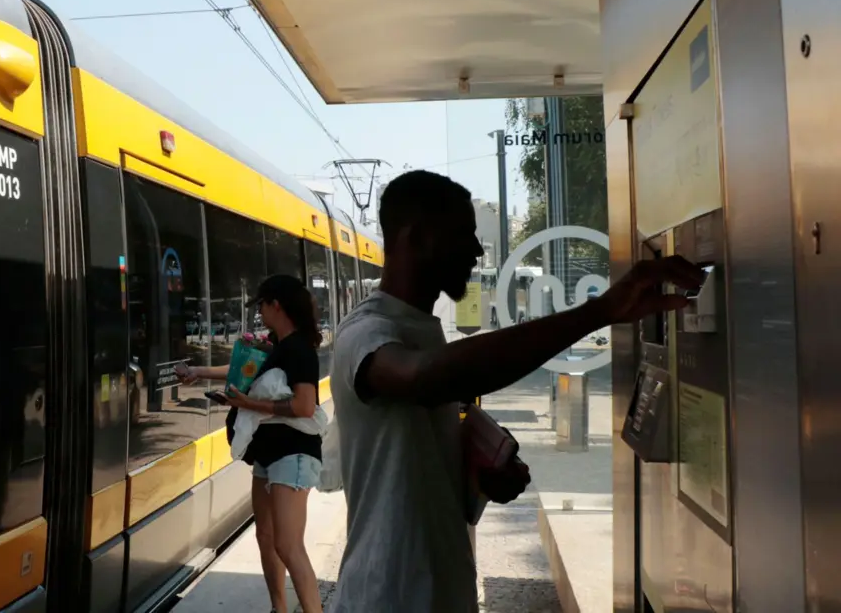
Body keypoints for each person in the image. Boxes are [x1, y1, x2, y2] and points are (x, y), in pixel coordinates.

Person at [330, 170, 705, 612]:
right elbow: (424, 378)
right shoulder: (365, 332)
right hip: (386, 597)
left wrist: (476, 476)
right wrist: (599, 311)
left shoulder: (421, 329)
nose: (474, 250)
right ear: (417, 239)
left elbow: (411, 454)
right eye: (463, 235)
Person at [176, 274, 325, 613]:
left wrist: (248, 405)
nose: (259, 312)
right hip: (268, 454)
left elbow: (303, 406)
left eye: (261, 305)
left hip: (294, 454)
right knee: (267, 536)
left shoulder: (300, 349)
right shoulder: (279, 345)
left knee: (288, 545)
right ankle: (279, 609)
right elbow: (242, 370)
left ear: (276, 305)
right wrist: (198, 372)